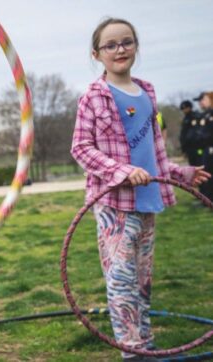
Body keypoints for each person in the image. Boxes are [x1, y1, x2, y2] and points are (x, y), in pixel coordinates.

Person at [71, 18, 211, 362]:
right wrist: (120, 171)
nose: (120, 50)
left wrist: (179, 172)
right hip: (115, 202)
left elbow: (152, 149)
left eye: (127, 42)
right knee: (120, 278)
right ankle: (132, 352)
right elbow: (81, 148)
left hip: (148, 198)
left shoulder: (147, 91)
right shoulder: (93, 96)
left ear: (136, 47)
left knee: (142, 278)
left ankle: (144, 341)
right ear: (97, 54)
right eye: (111, 45)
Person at [193, 92, 213, 202]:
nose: (201, 102)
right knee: (206, 174)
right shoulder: (205, 115)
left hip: (210, 148)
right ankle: (206, 199)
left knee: (209, 174)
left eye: (204, 99)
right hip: (204, 148)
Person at [178, 100, 203, 167]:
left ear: (189, 107)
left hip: (197, 146)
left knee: (200, 164)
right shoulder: (185, 119)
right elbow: (183, 134)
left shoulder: (196, 116)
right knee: (192, 165)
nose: (184, 110)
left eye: (185, 108)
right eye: (182, 109)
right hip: (189, 147)